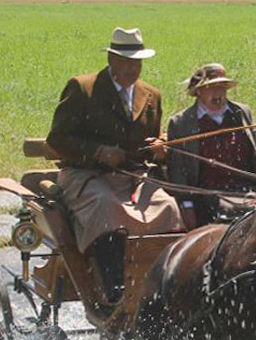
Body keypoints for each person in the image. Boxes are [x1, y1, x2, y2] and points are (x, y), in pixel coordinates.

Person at [45, 26, 183, 305]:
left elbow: (152, 139)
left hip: (134, 177)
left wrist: (160, 147)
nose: (133, 68)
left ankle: (161, 287)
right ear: (111, 59)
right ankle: (115, 291)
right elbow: (57, 139)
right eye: (127, 61)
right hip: (85, 175)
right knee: (107, 208)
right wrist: (98, 152)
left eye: (138, 62)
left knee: (168, 207)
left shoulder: (151, 95)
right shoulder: (83, 88)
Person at [166, 63, 256, 229]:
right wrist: (186, 204)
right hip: (207, 194)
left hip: (247, 188)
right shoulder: (181, 123)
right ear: (198, 91)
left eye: (222, 87)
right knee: (238, 214)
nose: (218, 93)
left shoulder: (241, 113)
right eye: (211, 88)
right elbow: (178, 169)